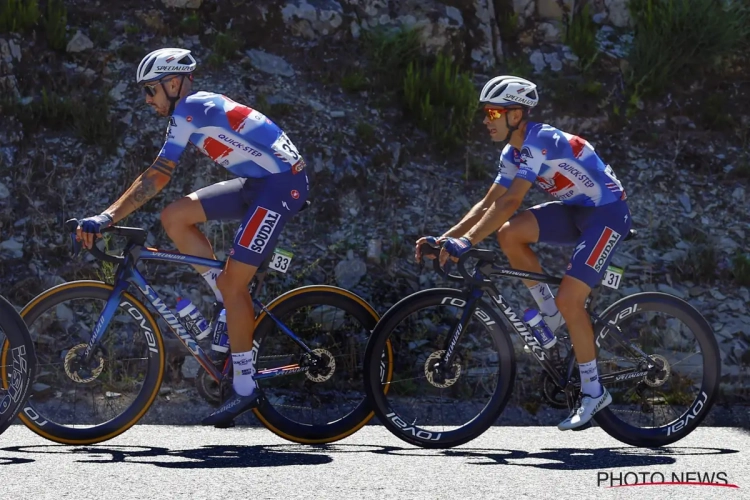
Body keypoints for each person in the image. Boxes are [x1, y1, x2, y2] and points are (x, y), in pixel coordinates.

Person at [76, 48, 310, 427]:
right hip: (260, 181)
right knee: (175, 217)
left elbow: (157, 176)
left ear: (173, 83)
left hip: (281, 186)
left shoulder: (191, 109)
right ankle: (226, 298)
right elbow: (159, 176)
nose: (147, 100)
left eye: (150, 91)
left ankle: (246, 388)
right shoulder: (191, 110)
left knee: (236, 286)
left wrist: (105, 217)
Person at [415, 75, 631, 430]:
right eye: (486, 112)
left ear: (516, 113)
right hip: (576, 210)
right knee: (509, 233)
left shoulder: (539, 139)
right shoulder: (511, 152)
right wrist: (446, 238)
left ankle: (594, 391)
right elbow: (490, 202)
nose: (486, 120)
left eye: (493, 113)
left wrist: (466, 243)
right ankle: (549, 312)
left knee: (571, 300)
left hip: (607, 214)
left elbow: (513, 200)